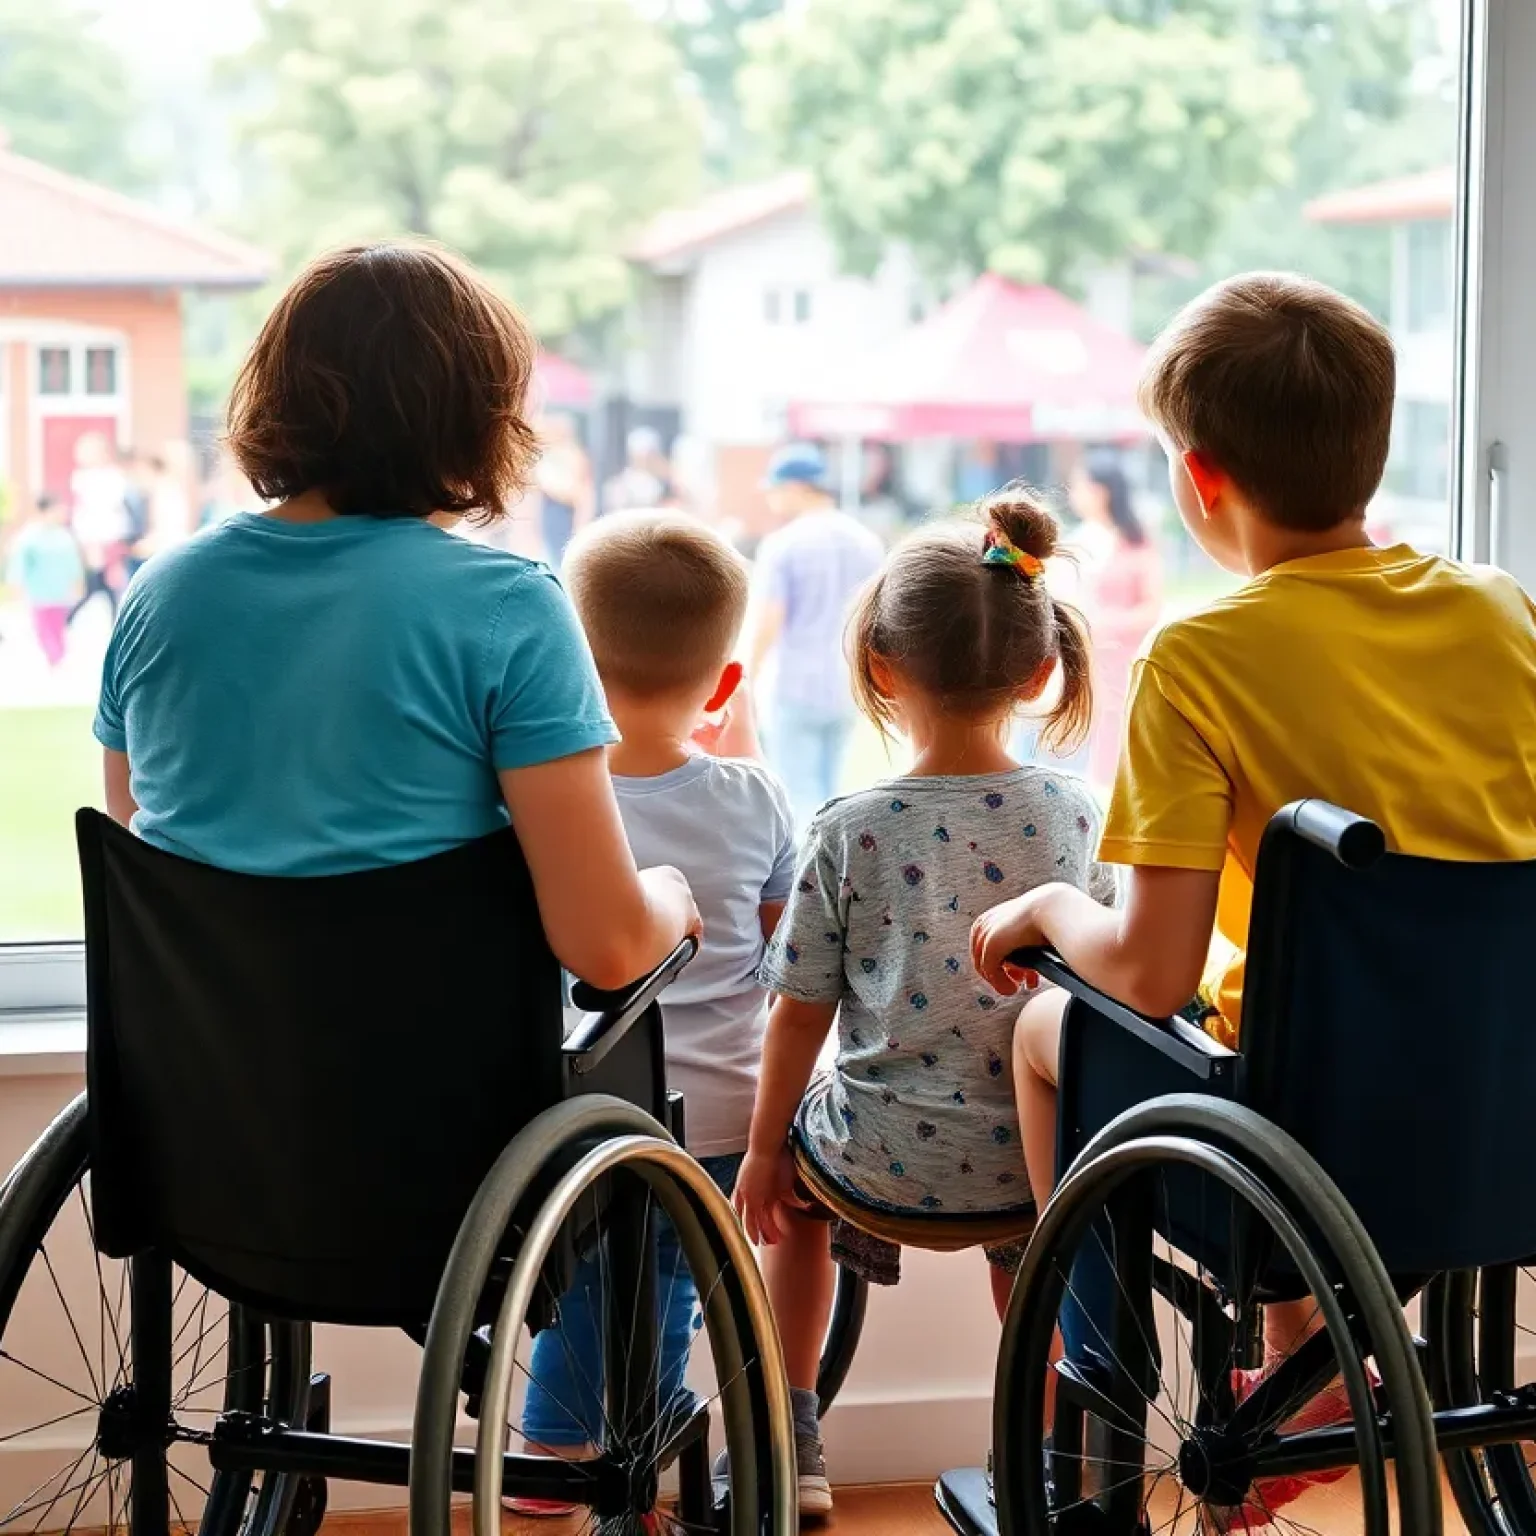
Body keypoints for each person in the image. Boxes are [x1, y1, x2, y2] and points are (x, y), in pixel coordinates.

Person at [971, 272, 1536, 1531]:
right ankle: (1306, 1360)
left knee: (1044, 1031)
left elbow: (1154, 973)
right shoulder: (1504, 615)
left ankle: (1089, 1375)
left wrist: (1055, 909)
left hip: (1306, 1141)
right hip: (1504, 1113)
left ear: (1200, 477)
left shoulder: (1203, 653)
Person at [95, 239, 698, 1005]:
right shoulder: (509, 608)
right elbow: (607, 948)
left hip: (201, 1102)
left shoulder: (160, 593)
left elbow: (149, 858)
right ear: (476, 418)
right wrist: (671, 896)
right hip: (435, 1106)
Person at [733, 494, 1116, 1511]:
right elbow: (1103, 983)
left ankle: (793, 1430)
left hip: (873, 1166)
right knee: (1025, 1256)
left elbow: (799, 1010)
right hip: (1024, 1171)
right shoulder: (1075, 812)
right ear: (1041, 673)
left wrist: (769, 1151)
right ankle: (1030, 1452)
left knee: (800, 1209)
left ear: (880, 668)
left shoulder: (852, 827)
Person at [511, 511, 797, 1515]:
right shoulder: (757, 798)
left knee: (586, 1269)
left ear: (571, 672)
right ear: (724, 686)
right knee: (669, 1273)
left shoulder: (542, 802)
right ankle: (627, 1429)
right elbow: (781, 954)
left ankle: (554, 1449)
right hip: (721, 1107)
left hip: (574, 1104)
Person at [747, 443, 884, 826]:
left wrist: (749, 681)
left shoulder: (783, 544)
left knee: (799, 795)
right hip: (849, 683)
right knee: (837, 789)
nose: (772, 499)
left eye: (774, 489)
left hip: (795, 684)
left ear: (796, 487)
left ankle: (809, 882)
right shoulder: (866, 542)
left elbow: (768, 621)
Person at [1067, 450, 1163, 783]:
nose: (1074, 494)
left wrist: (1105, 622)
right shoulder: (1076, 541)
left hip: (1124, 661)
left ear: (1102, 490)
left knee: (1120, 736)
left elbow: (1152, 607)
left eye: (1080, 485)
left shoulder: (1135, 543)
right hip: (1087, 659)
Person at [6, 493, 84, 668]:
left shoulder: (64, 536)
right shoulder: (29, 536)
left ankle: (58, 659)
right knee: (43, 629)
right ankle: (54, 659)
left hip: (60, 592)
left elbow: (74, 563)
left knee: (58, 627)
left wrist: (77, 583)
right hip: (38, 592)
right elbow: (19, 563)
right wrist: (16, 586)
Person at [69, 431, 130, 623]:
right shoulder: (80, 479)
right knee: (97, 586)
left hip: (109, 540)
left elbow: (113, 511)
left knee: (110, 586)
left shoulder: (114, 478)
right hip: (90, 542)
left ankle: (117, 624)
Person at [533, 412, 593, 568]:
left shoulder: (573, 455)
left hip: (566, 516)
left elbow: (582, 497)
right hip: (553, 515)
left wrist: (579, 528)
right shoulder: (549, 457)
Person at [601, 425, 671, 514]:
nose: (646, 459)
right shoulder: (620, 484)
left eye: (650, 454)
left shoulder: (665, 482)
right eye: (642, 455)